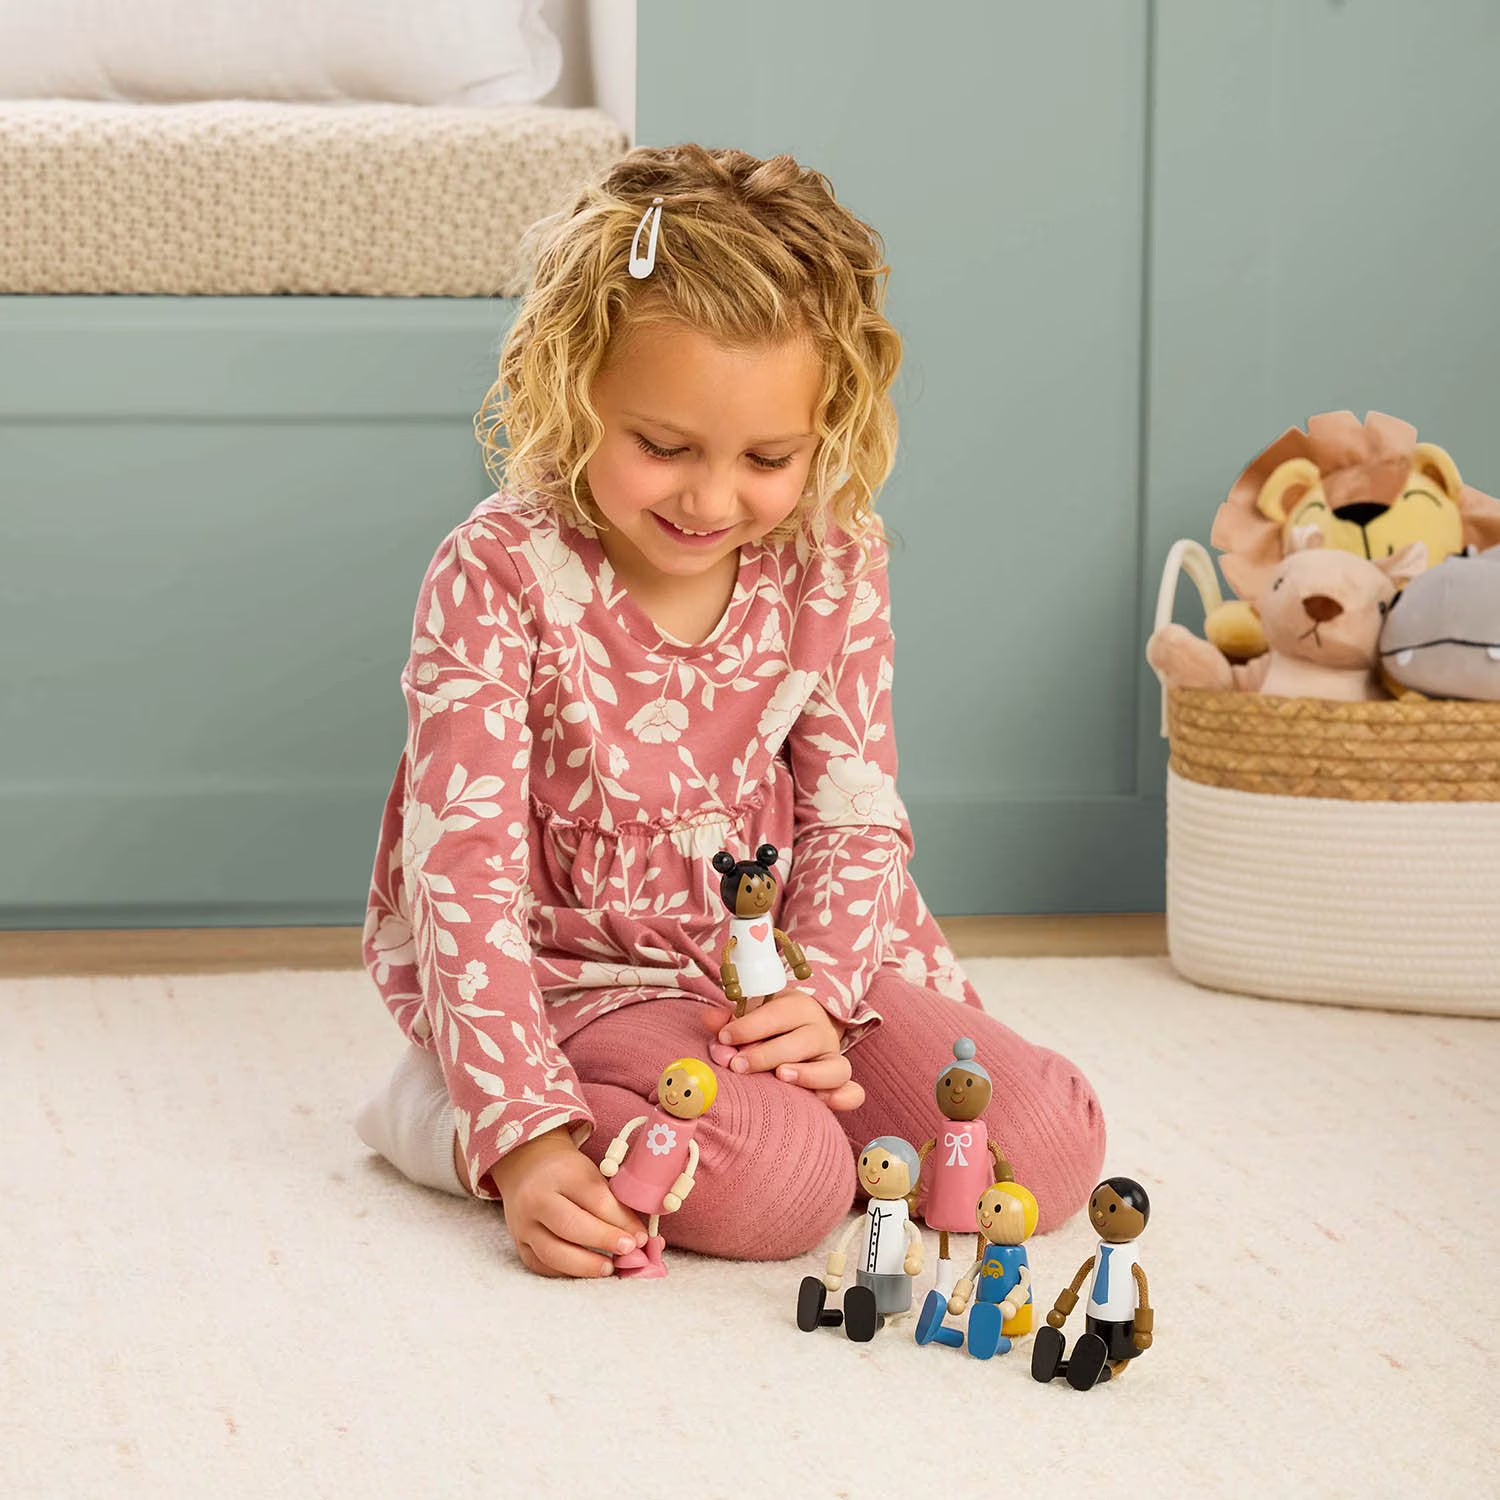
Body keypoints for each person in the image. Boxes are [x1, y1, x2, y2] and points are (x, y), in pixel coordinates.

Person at [354, 143, 1106, 1279]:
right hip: (586, 973)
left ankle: (762, 1089)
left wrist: (823, 998)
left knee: (1037, 1148)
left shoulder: (830, 557)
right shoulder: (497, 570)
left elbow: (854, 809)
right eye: (663, 447)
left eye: (767, 456)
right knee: (780, 1186)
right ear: (571, 387)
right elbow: (459, 870)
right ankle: (450, 1111)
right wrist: (526, 1136)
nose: (710, 498)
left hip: (781, 956)